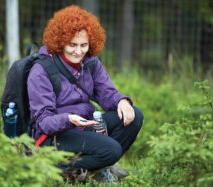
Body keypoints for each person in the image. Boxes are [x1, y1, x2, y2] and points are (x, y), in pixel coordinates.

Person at [27, 5, 143, 180]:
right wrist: (69, 119)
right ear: (60, 41)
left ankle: (94, 168)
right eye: (72, 45)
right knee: (112, 150)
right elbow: (44, 121)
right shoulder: (41, 70)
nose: (78, 51)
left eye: (84, 45)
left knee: (135, 116)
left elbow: (107, 92)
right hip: (54, 136)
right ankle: (56, 168)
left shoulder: (90, 62)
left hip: (83, 124)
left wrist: (122, 101)